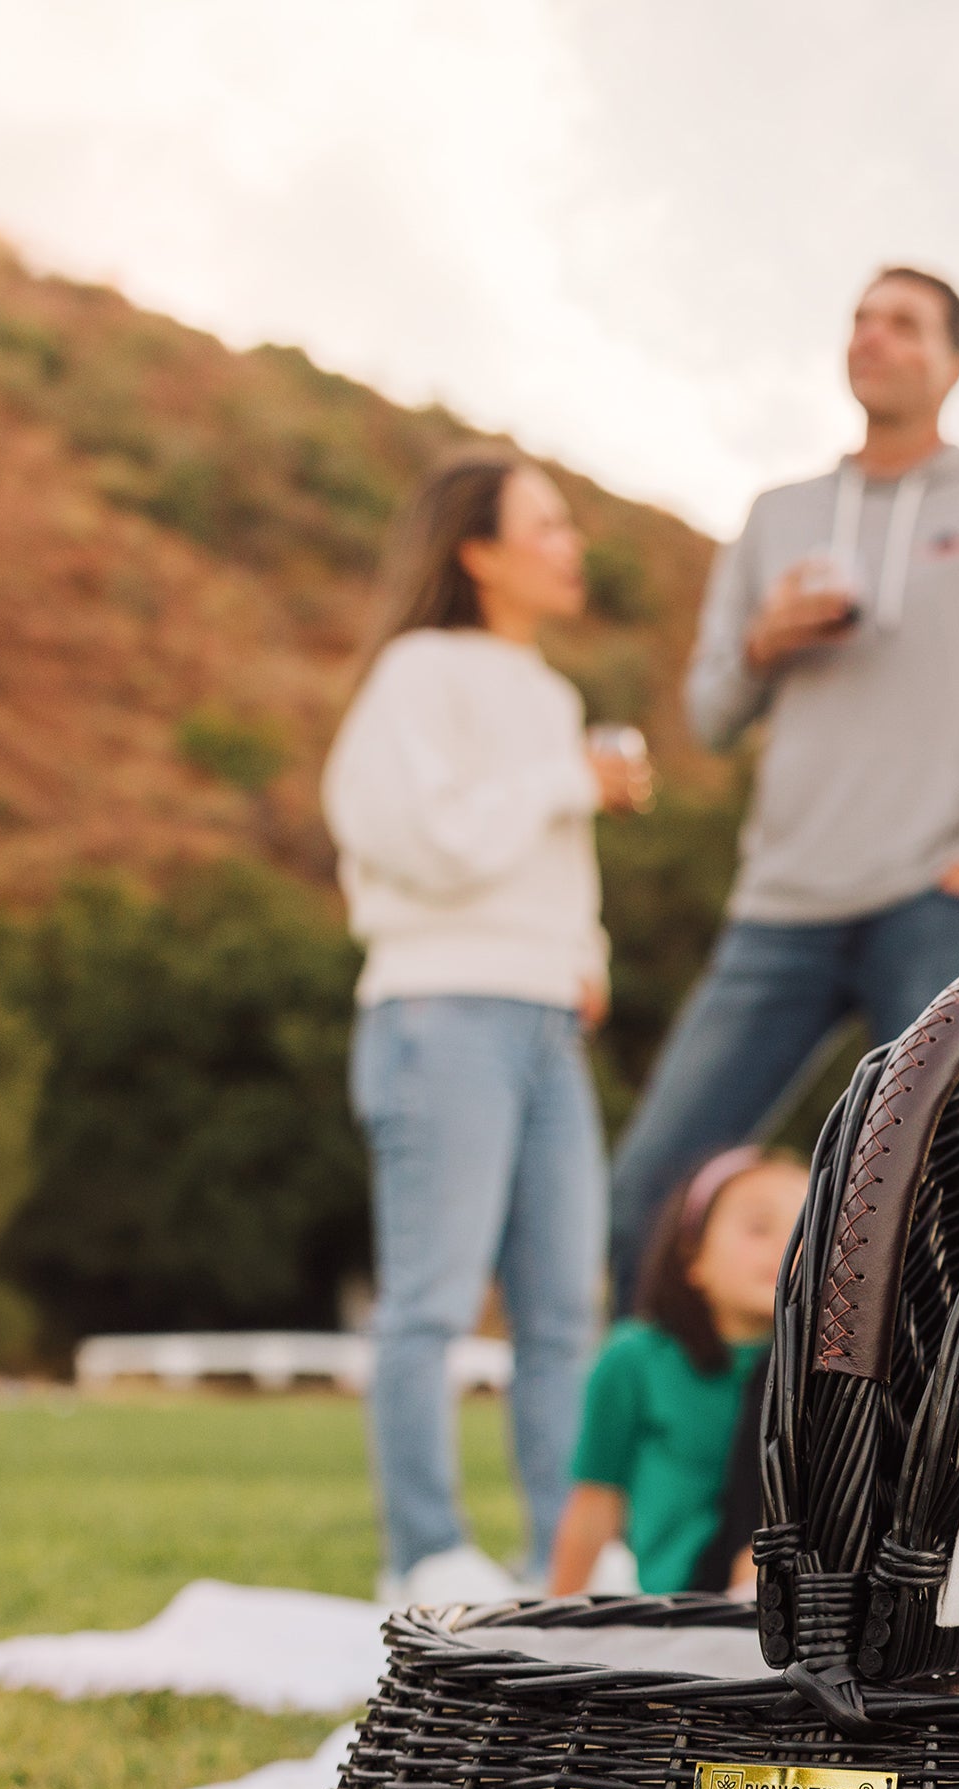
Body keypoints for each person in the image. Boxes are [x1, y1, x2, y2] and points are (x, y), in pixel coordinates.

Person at [607, 264, 959, 1303]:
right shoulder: (779, 515)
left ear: (952, 363)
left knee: (941, 1217)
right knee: (652, 1188)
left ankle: (913, 1462)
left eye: (904, 324)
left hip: (936, 905)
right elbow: (708, 713)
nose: (874, 337)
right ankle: (663, 1453)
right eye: (861, 320)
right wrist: (763, 642)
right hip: (777, 907)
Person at [325, 449, 653, 1609]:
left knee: (564, 1307)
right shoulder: (420, 674)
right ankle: (422, 1550)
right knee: (433, 1298)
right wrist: (566, 780)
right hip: (442, 1006)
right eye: (548, 526)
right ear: (479, 551)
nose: (572, 546)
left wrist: (588, 957)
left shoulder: (551, 695)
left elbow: (549, 870)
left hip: (545, 1024)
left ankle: (563, 1564)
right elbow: (428, 841)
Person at [545, 1147, 806, 1596]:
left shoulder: (821, 1373)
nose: (786, 1247)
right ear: (692, 1255)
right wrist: (554, 1618)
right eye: (759, 1228)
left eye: (807, 1233)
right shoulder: (635, 1359)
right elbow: (595, 1503)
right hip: (683, 1604)